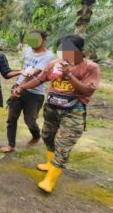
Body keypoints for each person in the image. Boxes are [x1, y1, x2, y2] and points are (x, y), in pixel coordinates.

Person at [12, 35, 100, 193]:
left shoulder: (90, 67)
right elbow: (39, 79)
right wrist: (22, 87)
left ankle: (50, 180)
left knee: (64, 145)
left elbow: (87, 90)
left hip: (74, 111)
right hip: (52, 107)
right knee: (47, 136)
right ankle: (49, 163)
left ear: (80, 51)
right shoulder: (54, 64)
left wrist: (69, 76)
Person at [1, 30, 54, 153]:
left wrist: (20, 87)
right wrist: (17, 85)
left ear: (44, 40)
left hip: (35, 93)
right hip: (19, 86)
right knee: (11, 118)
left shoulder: (48, 56)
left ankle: (36, 135)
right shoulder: (28, 51)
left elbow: (33, 73)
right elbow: (24, 69)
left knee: (30, 121)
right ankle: (11, 145)